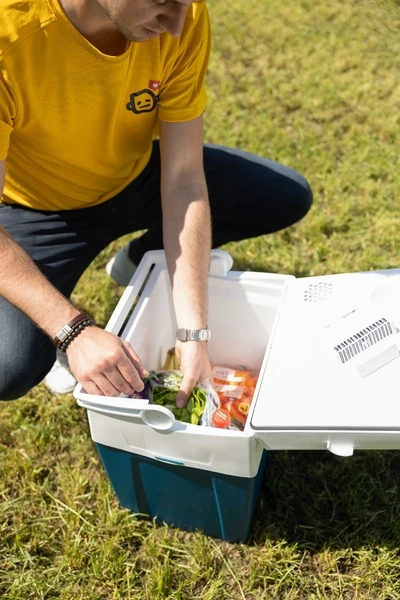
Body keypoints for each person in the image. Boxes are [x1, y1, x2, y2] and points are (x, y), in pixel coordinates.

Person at [0, 0, 312, 404]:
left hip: (138, 174)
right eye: (163, 1)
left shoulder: (183, 17)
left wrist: (193, 332)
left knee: (283, 196)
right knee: (9, 366)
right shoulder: (10, 36)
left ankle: (141, 260)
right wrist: (72, 330)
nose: (178, 23)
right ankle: (55, 336)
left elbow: (183, 177)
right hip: (39, 208)